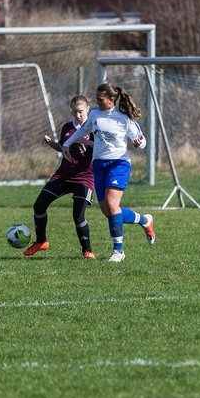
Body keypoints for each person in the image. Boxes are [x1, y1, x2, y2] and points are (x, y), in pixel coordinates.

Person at [61, 82, 156, 263]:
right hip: (99, 165)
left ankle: (118, 251)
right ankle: (145, 220)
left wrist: (139, 143)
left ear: (112, 100)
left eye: (100, 99)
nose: (97, 102)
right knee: (109, 211)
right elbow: (83, 129)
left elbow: (141, 141)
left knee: (112, 205)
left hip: (119, 164)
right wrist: (67, 143)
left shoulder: (124, 118)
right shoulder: (95, 113)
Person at [23, 95, 97, 259]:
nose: (78, 115)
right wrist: (51, 144)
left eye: (81, 112)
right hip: (63, 175)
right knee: (39, 205)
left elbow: (103, 147)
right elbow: (63, 147)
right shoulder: (67, 128)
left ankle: (87, 250)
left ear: (88, 110)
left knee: (78, 216)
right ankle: (41, 241)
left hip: (84, 177)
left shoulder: (94, 128)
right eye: (75, 112)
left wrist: (87, 142)